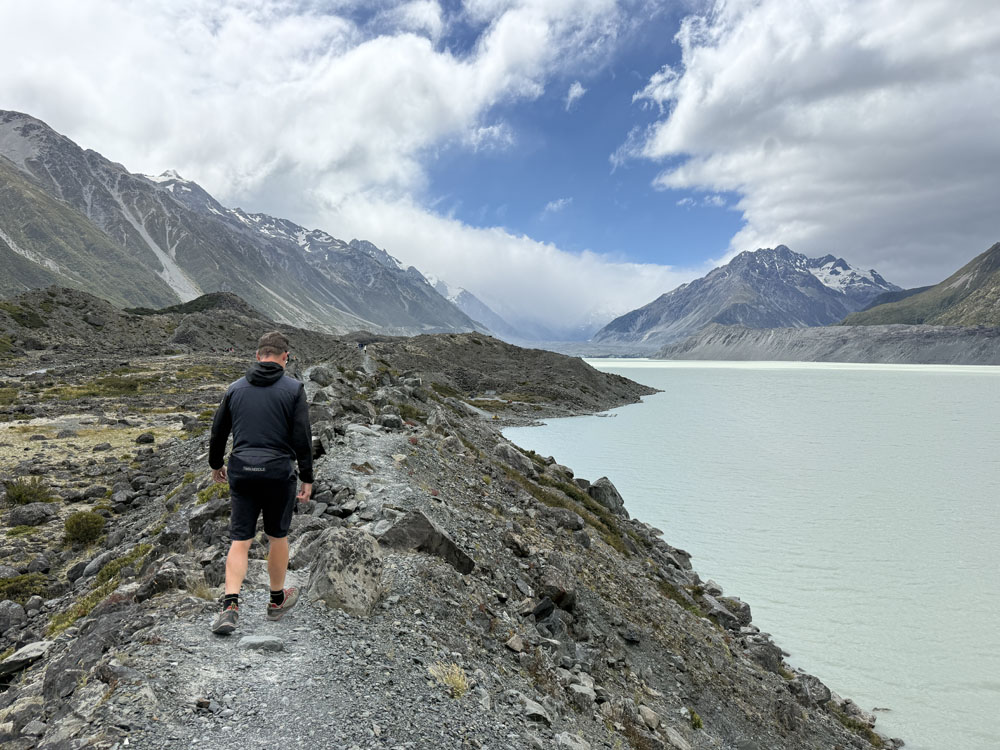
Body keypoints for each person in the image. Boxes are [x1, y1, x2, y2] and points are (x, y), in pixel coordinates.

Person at [207, 331, 313, 634]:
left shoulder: (234, 389)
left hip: (241, 470)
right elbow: (301, 437)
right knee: (277, 536)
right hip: (279, 472)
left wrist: (216, 464)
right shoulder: (294, 389)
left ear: (257, 355)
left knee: (240, 540)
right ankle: (276, 601)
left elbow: (218, 431)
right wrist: (307, 477)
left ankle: (230, 605)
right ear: (285, 357)